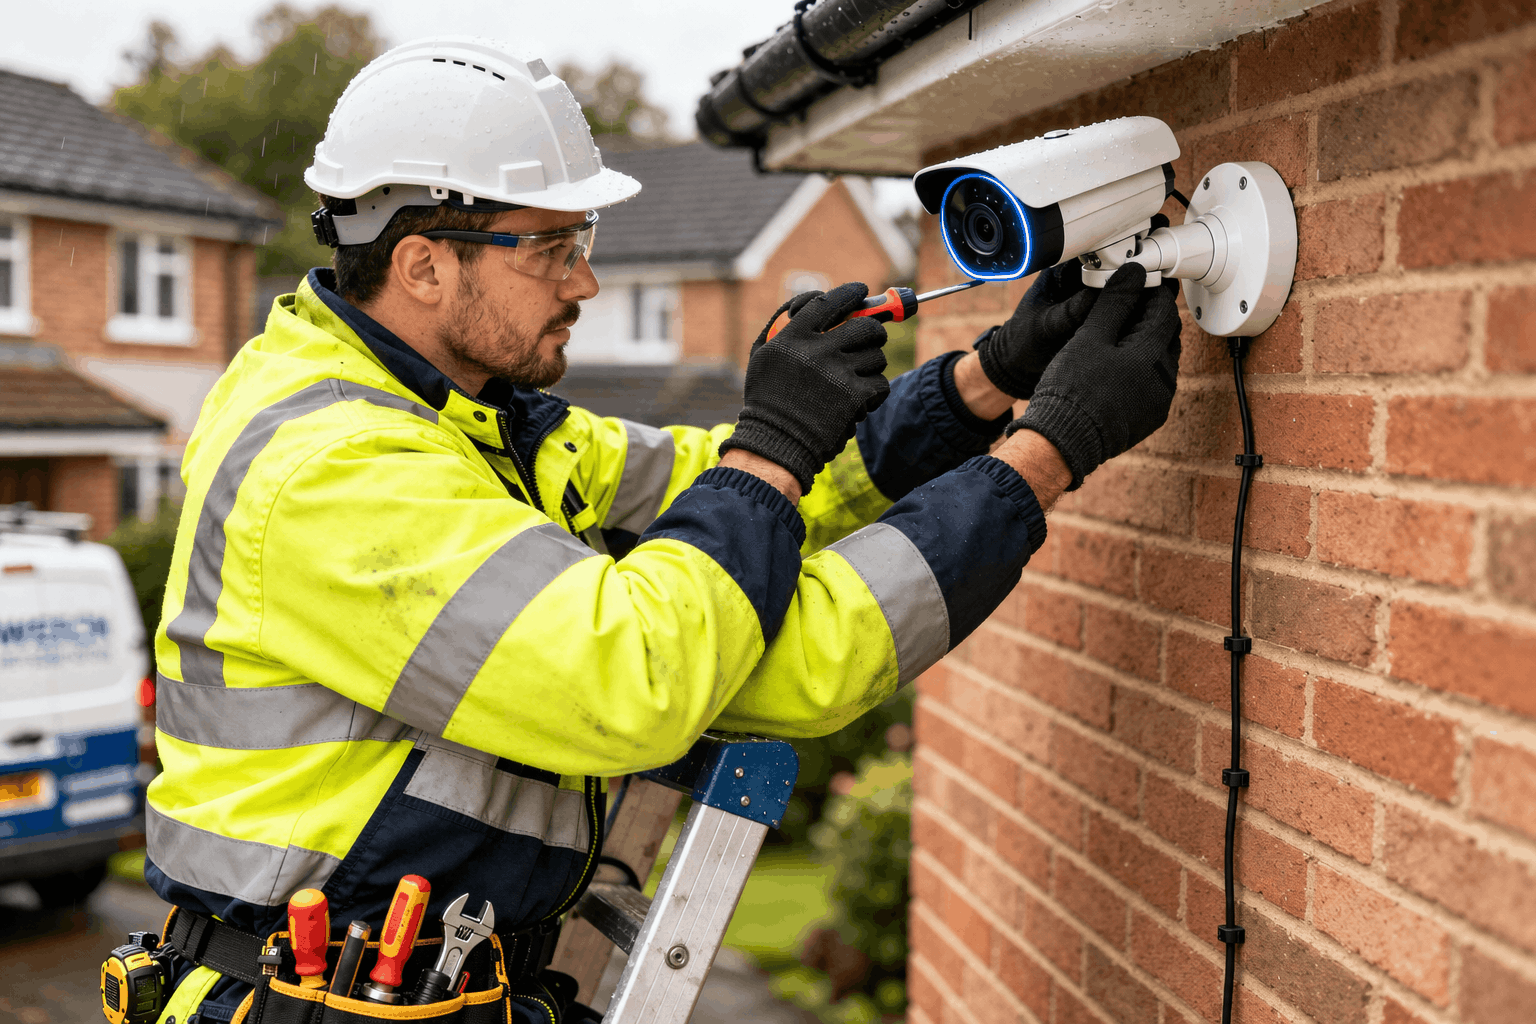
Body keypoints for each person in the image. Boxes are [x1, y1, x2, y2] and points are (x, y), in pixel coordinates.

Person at [140, 36, 1183, 1024]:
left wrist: (982, 382)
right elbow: (644, 667)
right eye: (551, 247)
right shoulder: (335, 476)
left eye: (579, 244)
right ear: (421, 265)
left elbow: (734, 503)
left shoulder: (478, 425)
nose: (584, 282)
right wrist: (1042, 455)